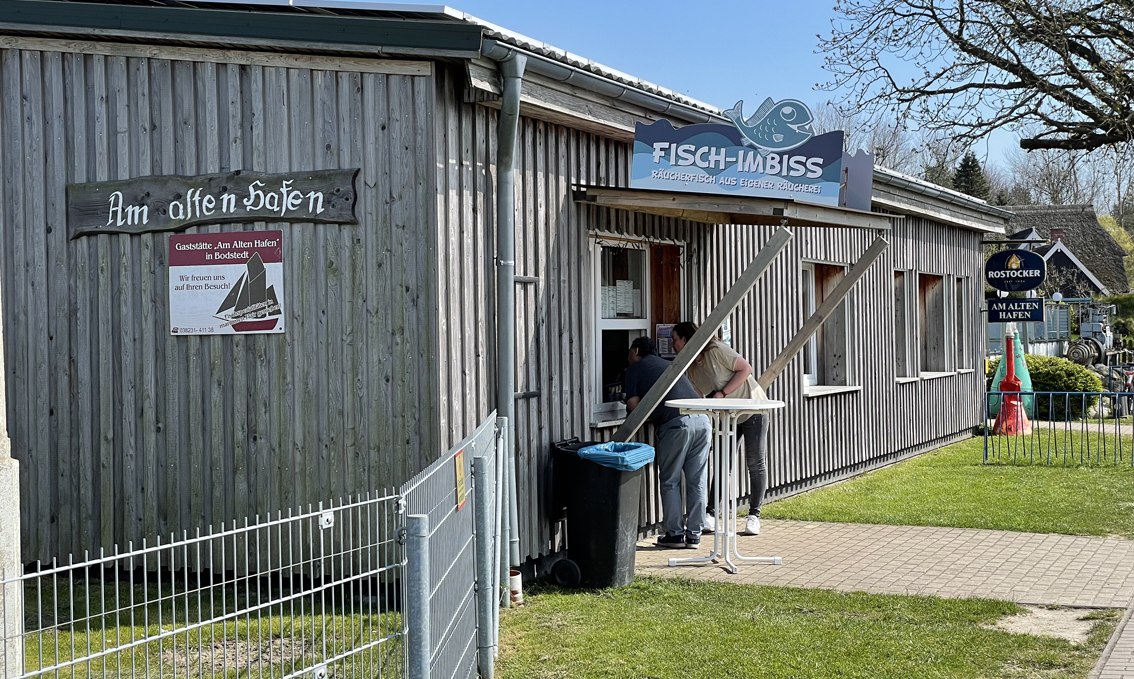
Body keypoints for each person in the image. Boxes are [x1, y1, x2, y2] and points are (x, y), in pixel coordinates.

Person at [671, 321, 768, 536]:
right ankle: (711, 514)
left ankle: (754, 515)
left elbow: (746, 369)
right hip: (726, 416)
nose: (672, 345)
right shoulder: (693, 366)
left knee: (755, 462)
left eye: (675, 339)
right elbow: (698, 393)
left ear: (686, 339)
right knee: (723, 463)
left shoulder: (716, 349)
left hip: (751, 407)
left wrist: (723, 393)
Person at [623, 336, 712, 549]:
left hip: (677, 424)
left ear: (635, 351)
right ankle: (694, 535)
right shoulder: (670, 365)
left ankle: (674, 535)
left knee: (670, 480)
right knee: (696, 480)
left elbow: (635, 406)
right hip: (703, 420)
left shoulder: (636, 367)